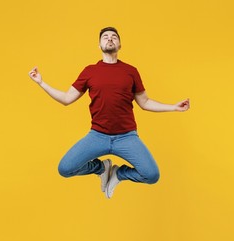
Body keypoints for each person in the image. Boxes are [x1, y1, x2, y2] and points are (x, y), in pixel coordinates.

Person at [29, 27, 190, 199]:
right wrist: (41, 83)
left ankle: (118, 174)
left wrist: (173, 107)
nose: (110, 39)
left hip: (127, 137)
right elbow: (67, 99)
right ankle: (101, 168)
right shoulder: (89, 71)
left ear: (120, 45)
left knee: (152, 175)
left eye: (114, 37)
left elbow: (145, 102)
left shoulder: (131, 71)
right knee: (65, 169)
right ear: (99, 45)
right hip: (97, 136)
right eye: (105, 37)